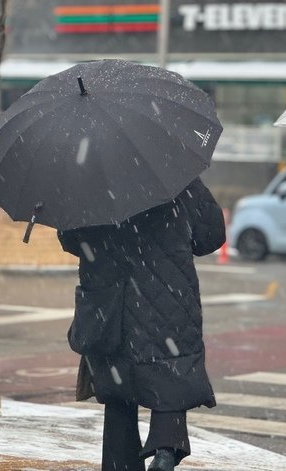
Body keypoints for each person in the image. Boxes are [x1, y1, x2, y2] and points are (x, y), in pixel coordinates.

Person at [58, 176, 226, 471]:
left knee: (119, 393)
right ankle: (166, 447)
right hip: (168, 295)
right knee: (171, 375)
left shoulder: (91, 180)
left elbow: (73, 240)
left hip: (112, 301)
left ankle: (120, 463)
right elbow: (210, 237)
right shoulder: (178, 177)